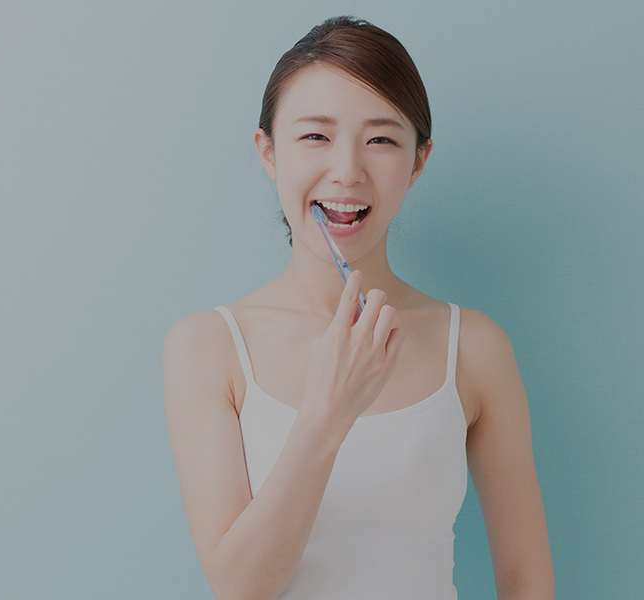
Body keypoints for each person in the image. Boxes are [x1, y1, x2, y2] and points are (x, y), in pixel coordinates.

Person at [164, 16, 554, 600]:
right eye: (315, 137)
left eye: (381, 139)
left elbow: (526, 578)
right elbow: (239, 588)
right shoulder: (208, 347)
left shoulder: (473, 347)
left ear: (418, 161)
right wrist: (327, 413)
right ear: (267, 152)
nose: (347, 171)